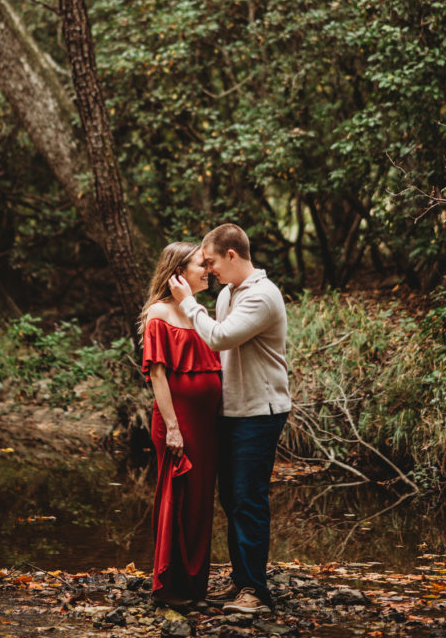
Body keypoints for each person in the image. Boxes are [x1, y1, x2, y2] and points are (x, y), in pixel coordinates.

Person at [169, 223, 290, 617]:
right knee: (231, 498)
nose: (209, 270)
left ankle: (256, 591)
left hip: (260, 411)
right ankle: (243, 582)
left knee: (248, 499)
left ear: (232, 255)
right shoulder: (227, 294)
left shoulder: (263, 296)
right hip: (232, 410)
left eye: (213, 262)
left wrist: (189, 303)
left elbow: (219, 337)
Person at [140, 241, 222, 606]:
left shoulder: (198, 311)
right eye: (200, 265)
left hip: (206, 425)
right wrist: (172, 427)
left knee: (201, 502)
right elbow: (158, 375)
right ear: (178, 272)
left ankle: (194, 588)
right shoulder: (158, 313)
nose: (207, 270)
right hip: (177, 422)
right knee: (178, 497)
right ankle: (169, 588)